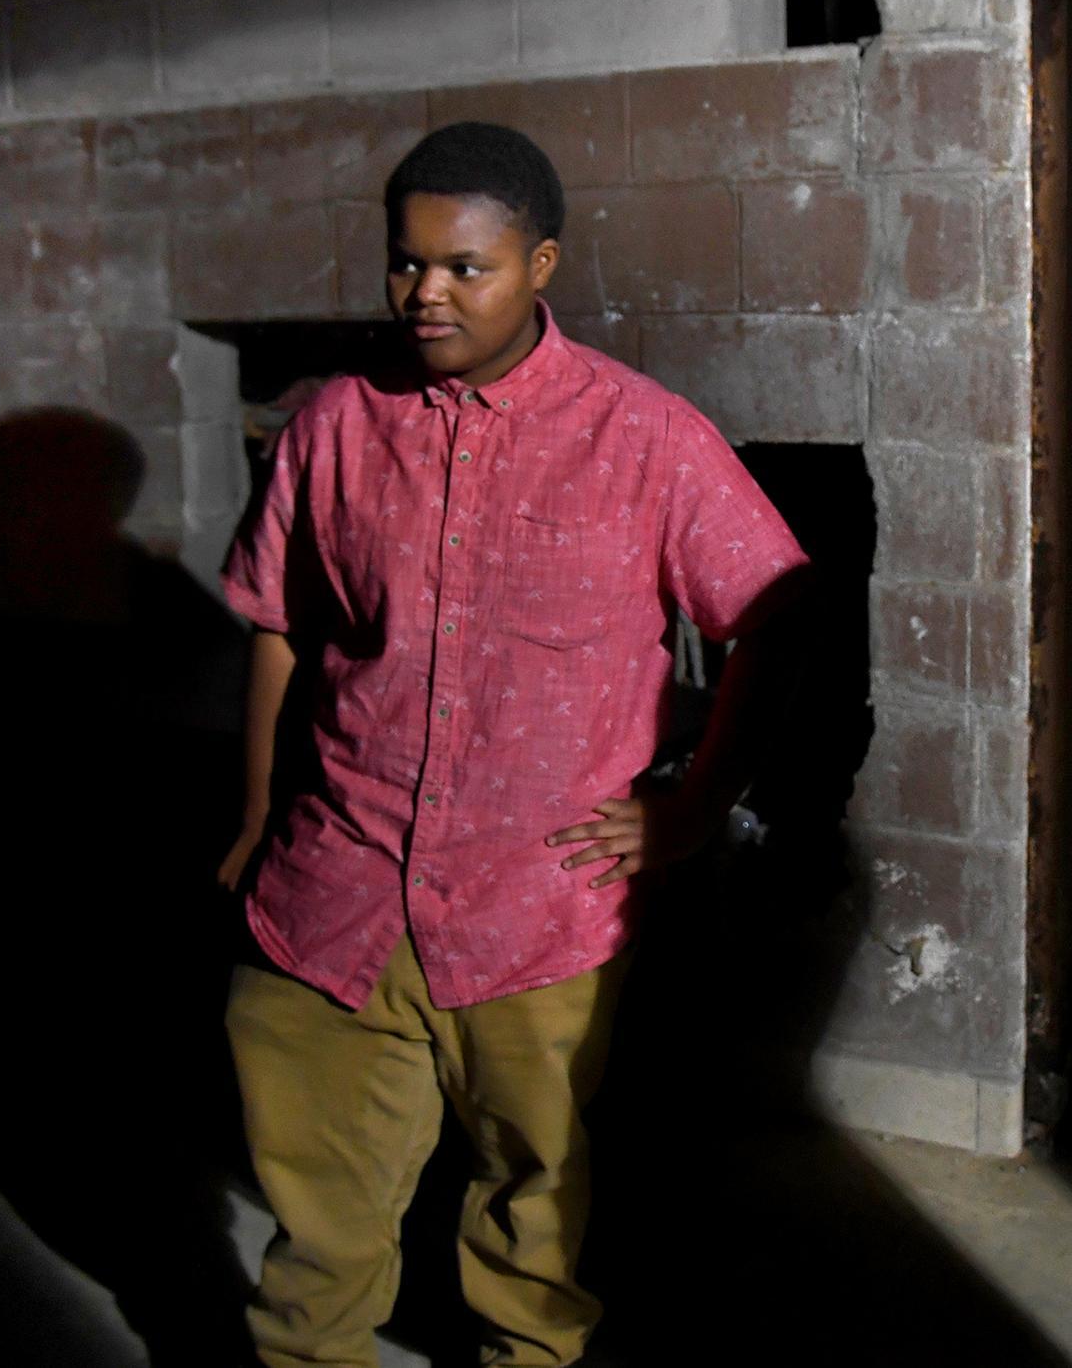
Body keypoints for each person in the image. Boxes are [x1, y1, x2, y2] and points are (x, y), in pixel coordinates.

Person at [215, 121, 810, 1368]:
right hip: (337, 893)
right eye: (404, 263)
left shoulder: (645, 437)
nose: (424, 292)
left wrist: (693, 810)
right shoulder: (334, 425)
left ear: (541, 264)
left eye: (463, 267)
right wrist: (260, 808)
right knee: (315, 1252)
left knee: (527, 1243)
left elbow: (778, 620)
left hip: (534, 919)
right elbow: (278, 622)